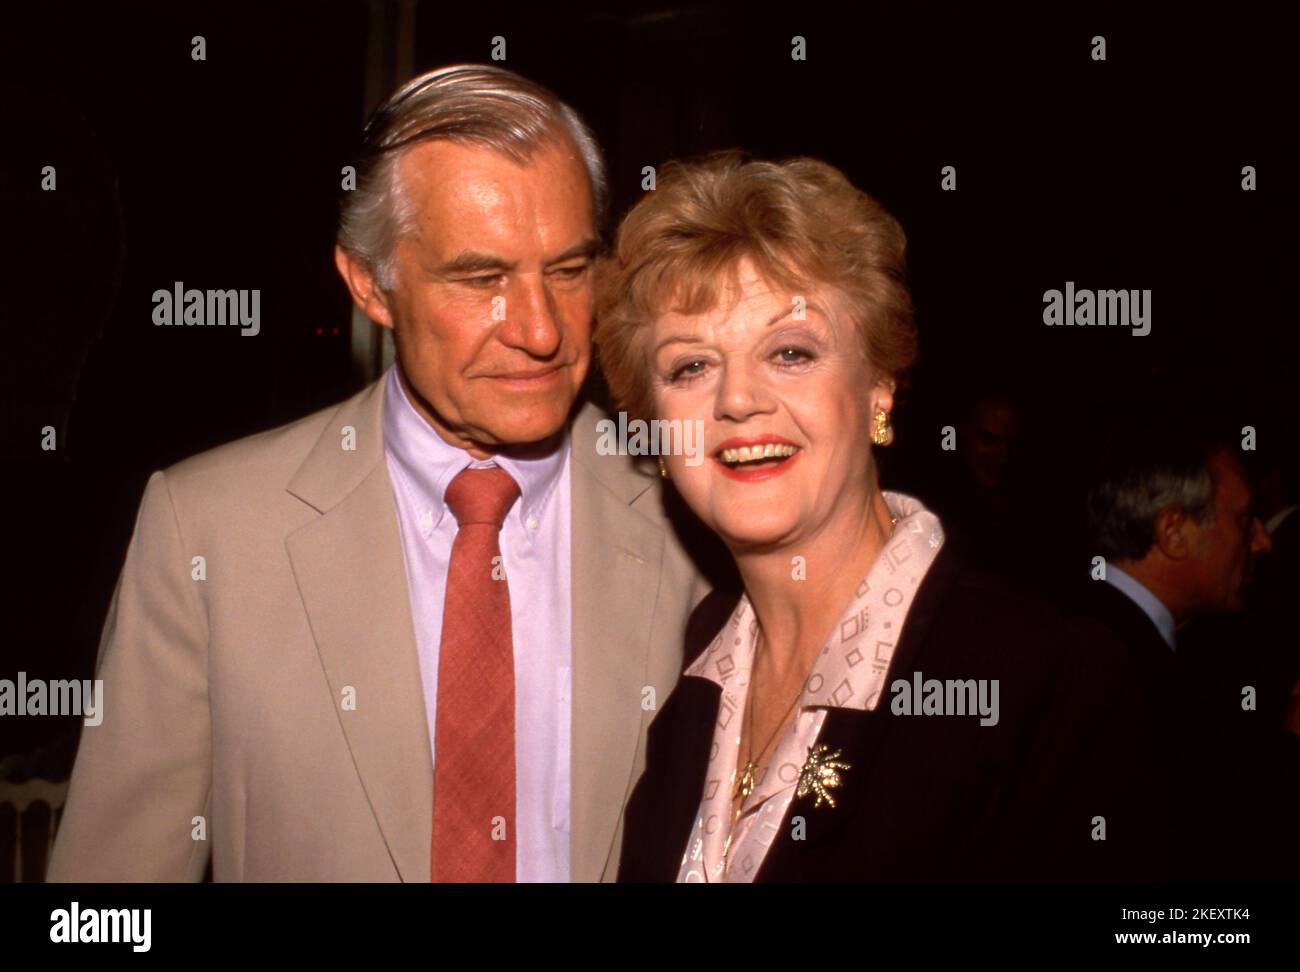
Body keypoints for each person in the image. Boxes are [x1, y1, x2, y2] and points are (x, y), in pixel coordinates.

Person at [47, 64, 710, 883]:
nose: (541, 331)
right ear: (371, 284)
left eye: (569, 271)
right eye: (482, 278)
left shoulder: (699, 519)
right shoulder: (210, 530)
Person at [599, 153, 1125, 882]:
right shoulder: (697, 668)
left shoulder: (1043, 677)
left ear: (879, 387)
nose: (738, 400)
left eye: (790, 352)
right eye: (691, 367)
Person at [1077, 418, 1300, 878]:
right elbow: (1192, 844)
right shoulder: (1108, 666)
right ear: (1173, 532)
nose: (1262, 540)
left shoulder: (1139, 640)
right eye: (1242, 520)